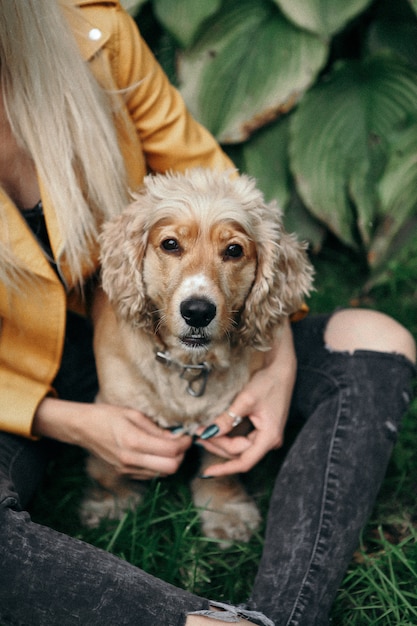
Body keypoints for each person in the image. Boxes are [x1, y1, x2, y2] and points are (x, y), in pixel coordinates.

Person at [0, 1, 415, 625]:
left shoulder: (94, 32)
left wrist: (276, 361)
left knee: (378, 336)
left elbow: (214, 181)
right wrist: (66, 421)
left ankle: (279, 614)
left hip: (160, 323)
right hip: (17, 378)